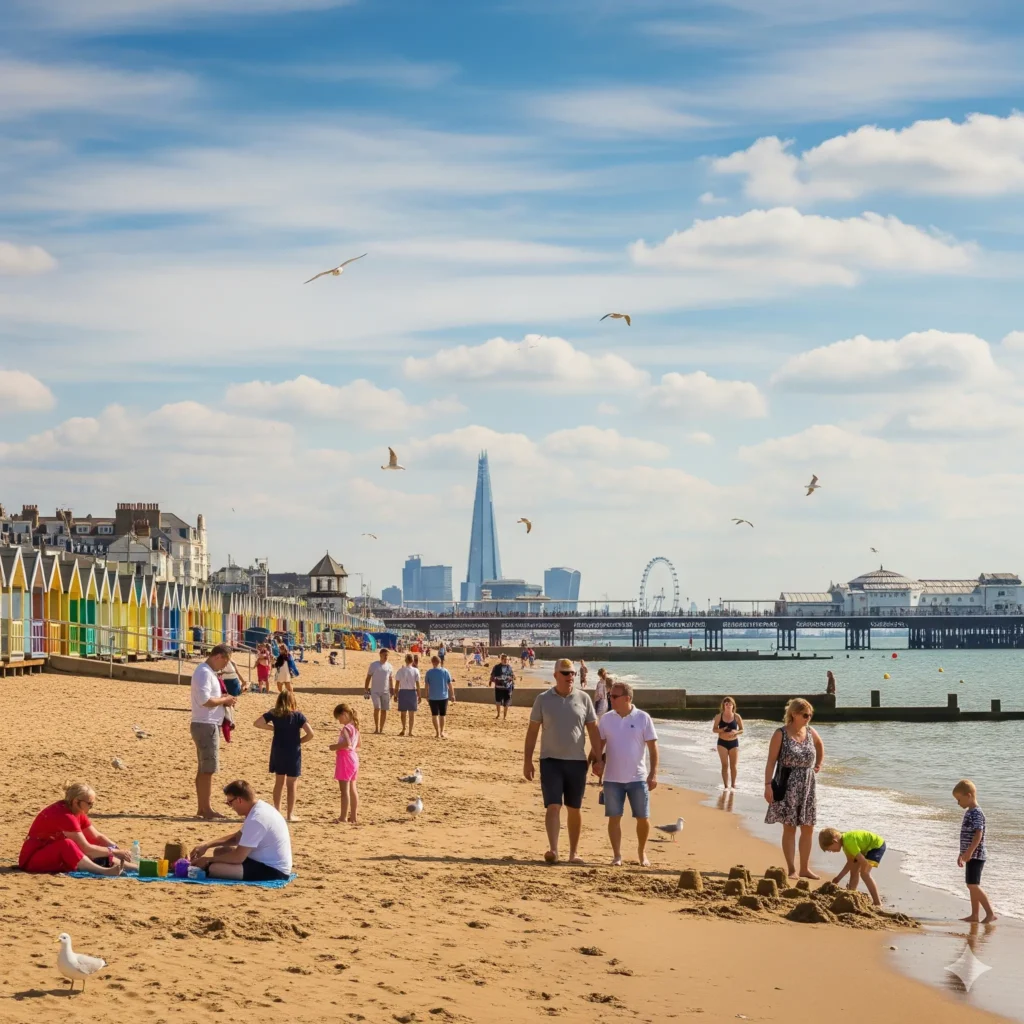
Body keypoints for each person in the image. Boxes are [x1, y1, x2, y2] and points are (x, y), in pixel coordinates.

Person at [523, 658, 601, 864]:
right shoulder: (543, 699)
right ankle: (554, 850)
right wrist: (527, 761)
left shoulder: (584, 699)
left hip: (577, 762)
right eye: (565, 673)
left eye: (573, 673)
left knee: (574, 808)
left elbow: (594, 730)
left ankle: (573, 853)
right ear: (555, 675)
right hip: (550, 761)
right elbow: (532, 732)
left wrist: (599, 759)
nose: (570, 677)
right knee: (553, 805)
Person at [595, 680, 659, 867]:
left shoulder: (643, 718)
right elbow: (599, 745)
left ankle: (642, 853)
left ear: (627, 698)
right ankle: (617, 855)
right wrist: (596, 762)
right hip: (612, 779)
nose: (610, 699)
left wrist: (653, 774)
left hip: (638, 778)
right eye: (610, 696)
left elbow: (653, 749)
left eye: (614, 696)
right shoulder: (606, 719)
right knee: (614, 817)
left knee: (643, 817)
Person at [764, 698, 824, 879]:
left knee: (808, 827)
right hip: (787, 783)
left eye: (810, 715)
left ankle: (805, 868)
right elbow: (771, 761)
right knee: (789, 827)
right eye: (805, 715)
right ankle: (791, 869)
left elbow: (820, 746)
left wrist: (818, 765)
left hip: (808, 785)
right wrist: (767, 785)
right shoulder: (780, 734)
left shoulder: (811, 732)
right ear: (794, 714)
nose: (808, 718)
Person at [189, 780, 292, 881]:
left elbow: (238, 857)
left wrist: (208, 860)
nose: (231, 807)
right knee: (220, 851)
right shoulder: (257, 809)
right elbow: (237, 837)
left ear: (239, 800)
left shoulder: (257, 819)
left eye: (230, 803)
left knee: (214, 868)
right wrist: (207, 845)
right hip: (260, 860)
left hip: (273, 870)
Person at [19, 783, 133, 875]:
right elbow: (86, 848)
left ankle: (134, 867)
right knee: (68, 844)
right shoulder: (65, 816)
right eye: (89, 804)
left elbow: (97, 837)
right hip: (32, 860)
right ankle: (103, 871)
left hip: (48, 851)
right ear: (76, 802)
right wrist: (116, 852)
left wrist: (117, 849)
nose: (91, 807)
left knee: (92, 844)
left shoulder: (77, 812)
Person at [191, 644, 237, 820]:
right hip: (205, 724)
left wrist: (225, 700)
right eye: (225, 661)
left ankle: (202, 808)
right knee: (208, 769)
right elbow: (205, 700)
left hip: (206, 723)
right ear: (218, 656)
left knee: (204, 769)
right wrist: (225, 700)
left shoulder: (206, 672)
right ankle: (206, 809)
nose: (225, 666)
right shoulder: (204, 672)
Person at [254, 690, 314, 821]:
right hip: (293, 751)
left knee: (279, 782)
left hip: (278, 750)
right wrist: (299, 741)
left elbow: (257, 723)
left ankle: (277, 812)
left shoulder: (274, 713)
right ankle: (290, 814)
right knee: (292, 784)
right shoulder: (298, 716)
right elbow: (310, 733)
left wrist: (273, 728)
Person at [953, 779, 996, 922]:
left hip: (977, 855)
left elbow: (979, 834)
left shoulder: (977, 812)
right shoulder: (969, 812)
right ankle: (975, 915)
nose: (958, 803)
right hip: (970, 854)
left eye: (959, 799)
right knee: (971, 886)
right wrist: (962, 853)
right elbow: (966, 836)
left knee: (973, 885)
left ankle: (990, 913)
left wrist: (970, 852)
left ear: (969, 795)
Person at [818, 827, 885, 905]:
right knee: (853, 871)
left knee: (865, 874)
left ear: (834, 841)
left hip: (876, 846)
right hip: (865, 847)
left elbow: (864, 862)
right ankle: (851, 894)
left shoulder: (849, 843)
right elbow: (850, 863)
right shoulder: (845, 844)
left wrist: (862, 870)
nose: (831, 852)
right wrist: (838, 878)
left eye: (830, 849)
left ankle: (877, 902)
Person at [331, 702, 361, 824]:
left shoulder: (346, 728)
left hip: (345, 758)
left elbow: (347, 744)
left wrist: (334, 747)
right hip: (354, 758)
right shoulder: (355, 727)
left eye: (339, 718)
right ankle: (353, 816)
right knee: (353, 789)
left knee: (344, 790)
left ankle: (343, 817)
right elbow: (358, 745)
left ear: (344, 714)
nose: (339, 721)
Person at [712, 696, 744, 790]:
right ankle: (726, 786)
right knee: (725, 765)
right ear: (723, 705)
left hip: (734, 743)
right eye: (726, 704)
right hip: (722, 743)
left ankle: (733, 785)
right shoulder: (719, 716)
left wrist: (736, 732)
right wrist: (722, 729)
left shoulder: (737, 716)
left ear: (733, 705)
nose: (728, 705)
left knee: (733, 766)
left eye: (730, 704)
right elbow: (714, 729)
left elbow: (742, 730)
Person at [364, 648, 395, 734]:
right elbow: (368, 677)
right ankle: (376, 728)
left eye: (387, 655)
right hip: (375, 691)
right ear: (380, 655)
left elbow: (390, 678)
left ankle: (381, 729)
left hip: (386, 691)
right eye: (385, 655)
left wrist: (392, 689)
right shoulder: (374, 665)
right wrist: (366, 689)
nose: (386, 657)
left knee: (384, 710)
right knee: (377, 708)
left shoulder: (389, 666)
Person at [425, 654, 456, 738]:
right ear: (440, 662)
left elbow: (426, 685)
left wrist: (426, 695)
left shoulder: (429, 672)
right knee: (442, 715)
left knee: (434, 715)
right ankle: (442, 732)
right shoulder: (445, 671)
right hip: (443, 696)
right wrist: (452, 695)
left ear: (432, 662)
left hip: (433, 697)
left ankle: (437, 733)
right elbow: (450, 684)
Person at [395, 653, 422, 737]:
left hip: (402, 691)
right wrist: (419, 695)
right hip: (411, 692)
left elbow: (397, 684)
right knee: (411, 714)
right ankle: (410, 731)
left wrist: (396, 694)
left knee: (403, 713)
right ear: (412, 660)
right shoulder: (416, 670)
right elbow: (418, 684)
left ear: (405, 660)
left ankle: (403, 728)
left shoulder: (400, 670)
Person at [489, 653, 516, 720]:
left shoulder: (509, 667)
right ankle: (498, 714)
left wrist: (512, 679)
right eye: (504, 659)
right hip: (498, 687)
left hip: (507, 688)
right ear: (501, 660)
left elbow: (513, 676)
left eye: (507, 659)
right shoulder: (496, 667)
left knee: (506, 703)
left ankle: (505, 716)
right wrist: (491, 681)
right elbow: (492, 675)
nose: (506, 661)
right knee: (498, 701)